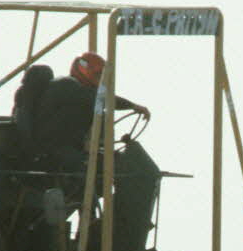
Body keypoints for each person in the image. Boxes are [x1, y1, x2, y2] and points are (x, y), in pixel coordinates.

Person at [18, 52, 150, 166]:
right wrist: (132, 106)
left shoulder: (79, 90)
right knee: (87, 167)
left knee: (115, 162)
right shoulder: (68, 85)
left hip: (64, 148)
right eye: (98, 75)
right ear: (85, 70)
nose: (100, 80)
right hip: (51, 150)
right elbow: (101, 99)